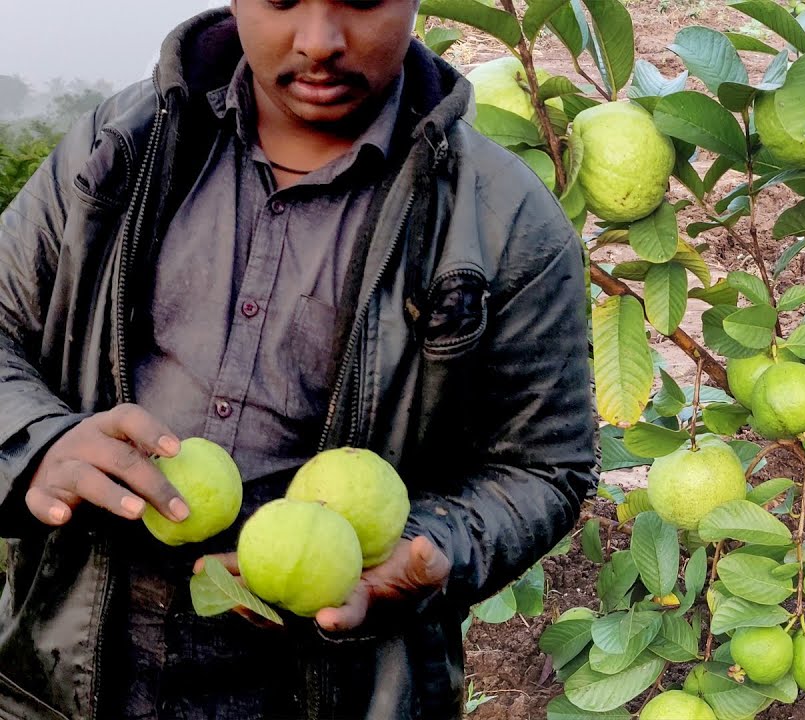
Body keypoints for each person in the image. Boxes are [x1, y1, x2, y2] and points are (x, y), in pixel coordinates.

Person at [0, 1, 598, 718]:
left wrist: (426, 549)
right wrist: (40, 441)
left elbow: (545, 465)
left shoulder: (505, 223)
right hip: (65, 680)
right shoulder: (118, 147)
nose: (319, 42)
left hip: (339, 693)